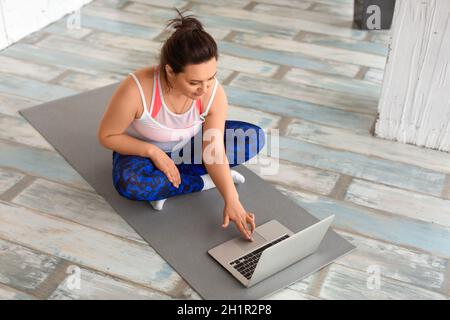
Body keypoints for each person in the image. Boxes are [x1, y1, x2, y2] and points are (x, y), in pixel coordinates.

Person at [97, 9, 265, 242]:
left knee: (253, 137)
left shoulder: (212, 92)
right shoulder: (137, 89)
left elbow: (213, 149)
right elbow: (107, 135)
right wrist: (153, 151)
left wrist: (232, 199)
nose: (204, 89)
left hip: (190, 148)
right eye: (194, 82)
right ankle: (199, 180)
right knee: (131, 184)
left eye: (211, 77)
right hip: (143, 153)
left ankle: (174, 184)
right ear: (170, 71)